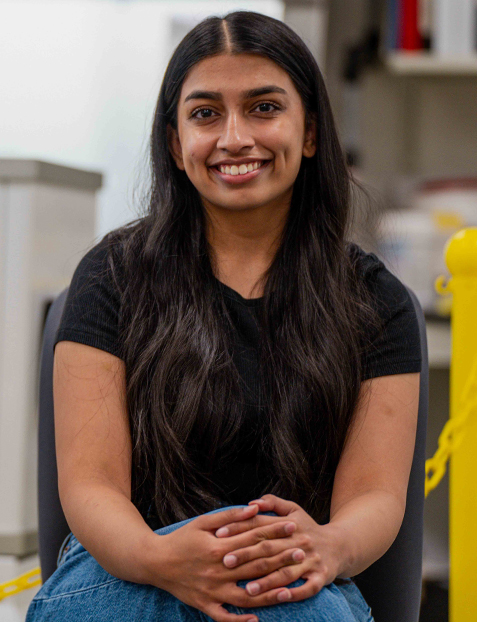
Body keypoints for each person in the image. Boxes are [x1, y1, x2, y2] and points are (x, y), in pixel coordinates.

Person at [26, 10, 422, 622]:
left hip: (285, 574)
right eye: (206, 113)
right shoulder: (110, 277)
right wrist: (160, 559)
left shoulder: (376, 302)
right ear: (175, 143)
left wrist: (330, 544)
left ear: (311, 132)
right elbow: (91, 486)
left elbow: (374, 494)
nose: (235, 138)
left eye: (264, 107)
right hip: (129, 563)